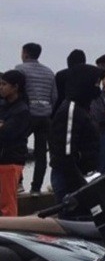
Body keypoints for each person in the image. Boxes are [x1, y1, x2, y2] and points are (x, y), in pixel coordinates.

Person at [49, 63, 103, 219]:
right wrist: (78, 183)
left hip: (83, 173)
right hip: (70, 177)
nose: (97, 87)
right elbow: (65, 152)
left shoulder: (84, 108)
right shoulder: (71, 110)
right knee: (72, 221)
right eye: (95, 83)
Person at [15, 42, 56, 197]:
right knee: (41, 154)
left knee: (17, 147)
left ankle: (18, 183)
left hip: (26, 114)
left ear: (25, 53)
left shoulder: (20, 69)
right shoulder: (49, 72)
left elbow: (16, 91)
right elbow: (54, 96)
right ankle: (36, 188)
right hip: (45, 115)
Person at [0, 71, 31, 216]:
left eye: (4, 84)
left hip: (10, 160)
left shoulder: (21, 110)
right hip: (3, 158)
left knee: (7, 202)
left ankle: (10, 231)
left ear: (15, 87)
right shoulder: (4, 105)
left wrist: (3, 126)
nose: (1, 87)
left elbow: (7, 133)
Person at [54, 49, 86, 116]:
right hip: (83, 110)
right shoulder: (89, 76)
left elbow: (56, 96)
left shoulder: (60, 75)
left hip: (62, 110)